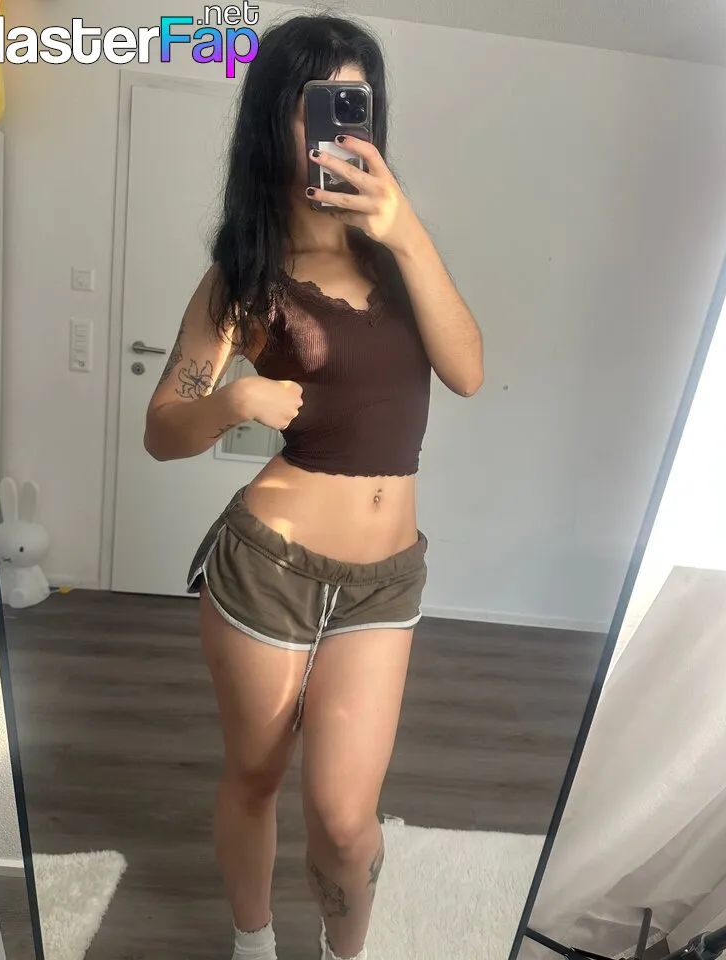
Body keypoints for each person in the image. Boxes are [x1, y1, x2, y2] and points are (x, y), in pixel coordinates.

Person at [144, 13, 483, 960]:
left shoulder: (400, 257)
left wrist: (404, 228)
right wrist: (233, 400)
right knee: (256, 778)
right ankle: (254, 945)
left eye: (355, 104)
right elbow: (162, 429)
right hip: (270, 569)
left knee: (344, 819)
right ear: (274, 121)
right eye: (317, 105)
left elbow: (468, 371)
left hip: (385, 582)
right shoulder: (243, 278)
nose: (339, 124)